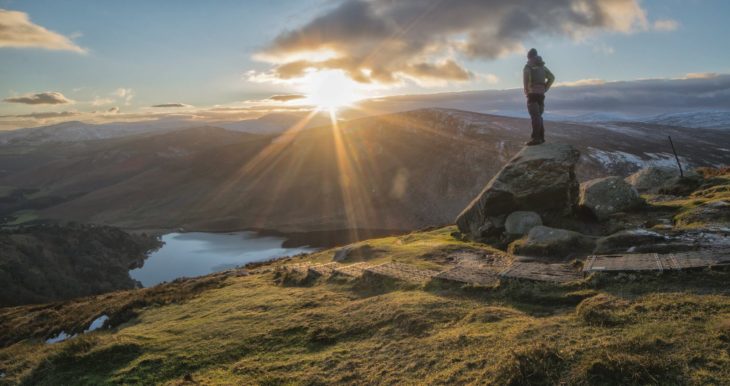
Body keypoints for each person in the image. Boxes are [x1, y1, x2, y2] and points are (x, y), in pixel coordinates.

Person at [523, 48, 555, 146]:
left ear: (529, 57)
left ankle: (536, 138)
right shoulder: (543, 67)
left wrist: (527, 90)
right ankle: (541, 138)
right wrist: (545, 88)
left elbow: (526, 79)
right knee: (538, 116)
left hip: (532, 94)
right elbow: (552, 77)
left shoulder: (528, 66)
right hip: (541, 94)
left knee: (535, 116)